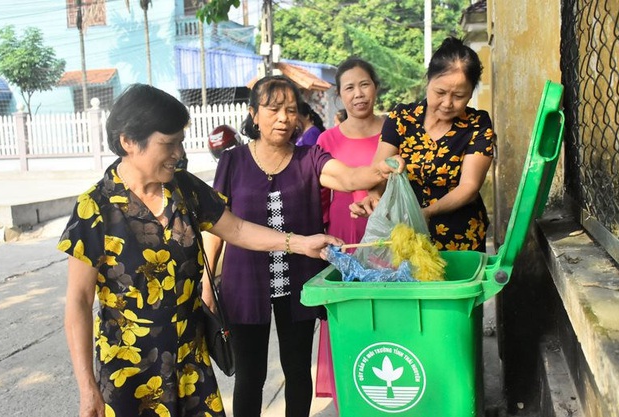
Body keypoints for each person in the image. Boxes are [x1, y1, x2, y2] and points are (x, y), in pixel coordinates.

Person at [59, 83, 344, 417]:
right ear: (128, 142)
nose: (179, 153)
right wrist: (87, 388)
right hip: (130, 372)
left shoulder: (183, 187)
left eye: (180, 141)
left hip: (190, 363)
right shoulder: (94, 208)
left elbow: (235, 228)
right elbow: (79, 302)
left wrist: (300, 243)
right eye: (169, 143)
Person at [202, 75, 403, 417]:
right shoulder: (232, 162)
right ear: (254, 114)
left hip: (298, 282)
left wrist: (381, 170)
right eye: (273, 109)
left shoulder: (309, 158)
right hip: (244, 284)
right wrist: (207, 286)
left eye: (291, 110)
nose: (283, 118)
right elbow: (216, 228)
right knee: (251, 375)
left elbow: (348, 178)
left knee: (297, 370)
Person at [351, 36, 495, 252]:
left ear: (471, 92)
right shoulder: (401, 118)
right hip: (407, 237)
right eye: (440, 92)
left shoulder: (477, 124)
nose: (447, 103)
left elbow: (469, 187)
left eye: (459, 96)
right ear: (428, 80)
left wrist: (427, 213)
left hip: (461, 238)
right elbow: (378, 170)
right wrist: (373, 197)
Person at [314, 57, 384, 412]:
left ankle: (388, 391)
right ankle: (351, 398)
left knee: (386, 311)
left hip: (386, 237)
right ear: (340, 96)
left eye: (365, 84)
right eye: (349, 88)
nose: (359, 94)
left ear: (376, 86)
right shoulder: (327, 139)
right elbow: (322, 197)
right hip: (345, 237)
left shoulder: (394, 131)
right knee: (348, 316)